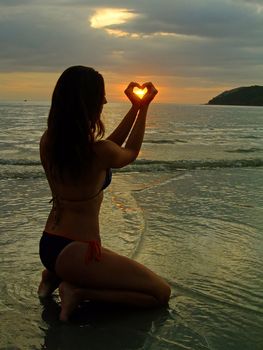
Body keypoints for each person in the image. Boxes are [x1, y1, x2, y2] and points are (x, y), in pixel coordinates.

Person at [38, 65, 171, 321]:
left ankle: (52, 277)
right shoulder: (97, 153)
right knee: (160, 293)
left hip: (50, 244)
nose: (105, 100)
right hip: (78, 252)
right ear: (87, 102)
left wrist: (134, 107)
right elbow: (129, 152)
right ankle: (78, 291)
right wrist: (144, 108)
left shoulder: (49, 142)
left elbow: (107, 149)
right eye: (101, 95)